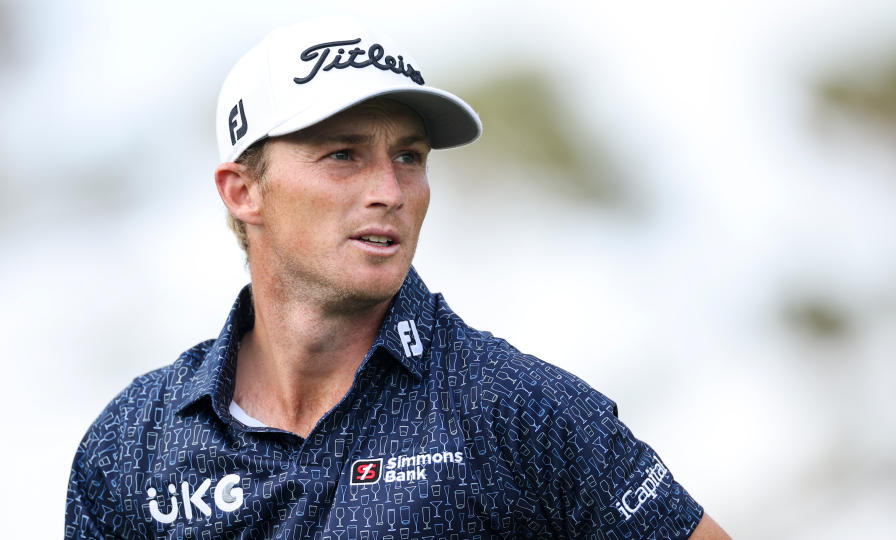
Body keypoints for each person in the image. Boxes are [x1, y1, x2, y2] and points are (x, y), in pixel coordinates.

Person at [65, 16, 730, 539]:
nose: (389, 189)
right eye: (344, 154)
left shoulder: (518, 411)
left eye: (409, 156)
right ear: (243, 191)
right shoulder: (133, 446)